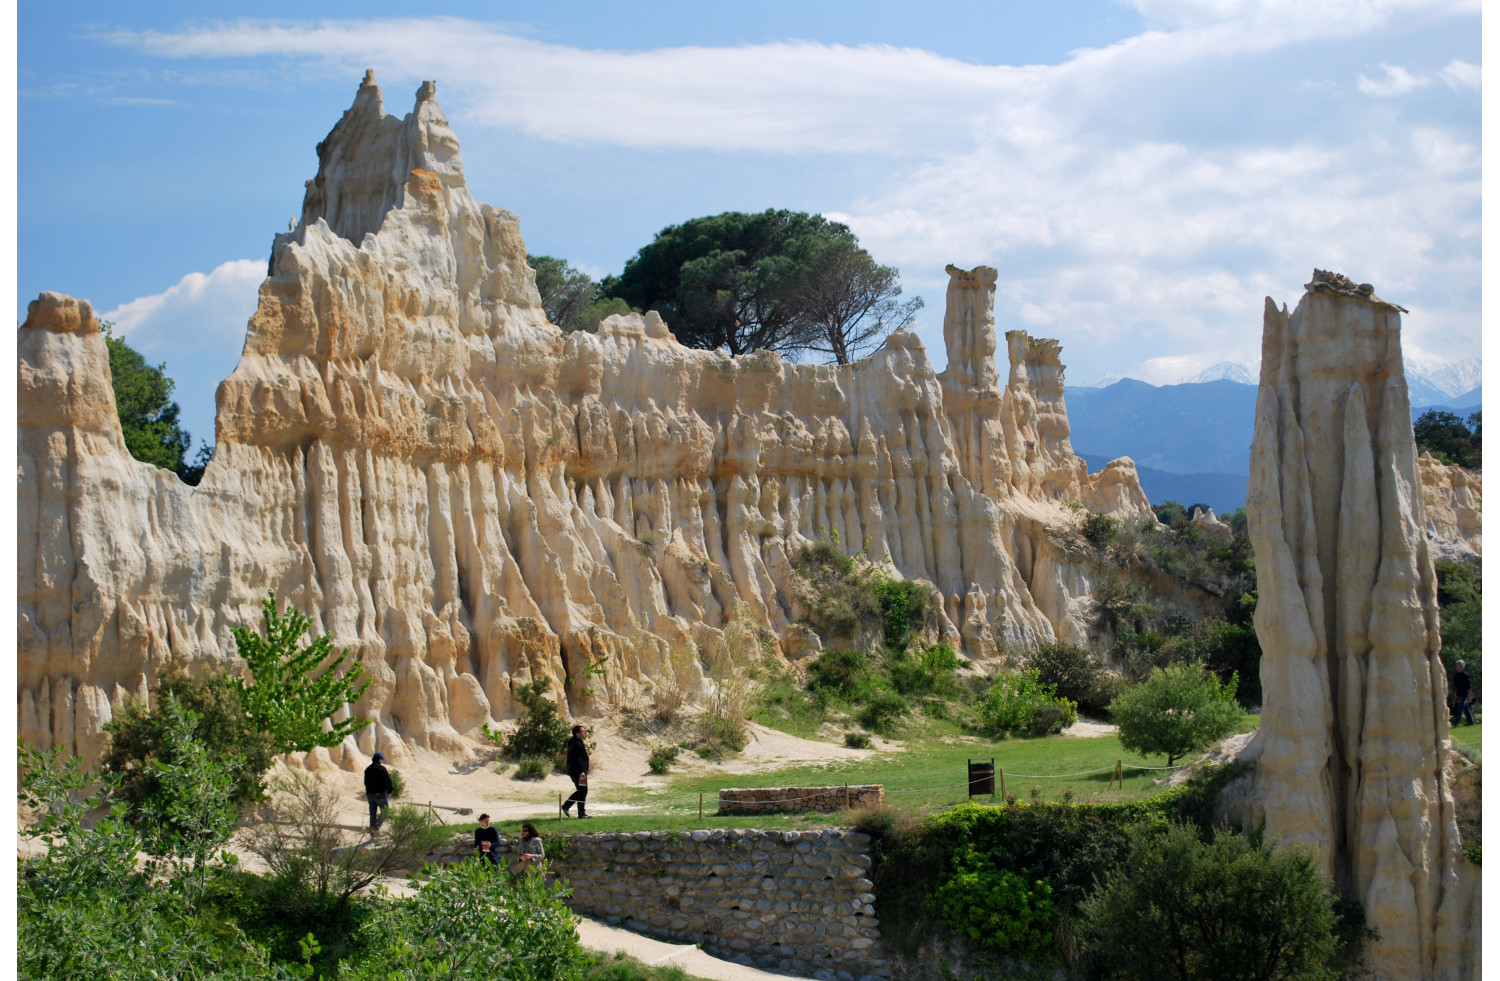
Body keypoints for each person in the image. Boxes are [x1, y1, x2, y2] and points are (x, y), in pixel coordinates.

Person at [562, 723, 591, 819]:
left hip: (575, 771)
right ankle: (581, 814)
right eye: (583, 731)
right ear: (577, 733)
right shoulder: (577, 744)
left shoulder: (575, 742)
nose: (585, 733)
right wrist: (582, 771)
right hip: (579, 772)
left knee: (581, 791)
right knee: (583, 791)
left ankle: (566, 806)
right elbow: (579, 759)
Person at [363, 751, 394, 832]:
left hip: (370, 794)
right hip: (380, 794)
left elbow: (365, 782)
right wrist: (389, 791)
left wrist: (368, 791)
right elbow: (388, 780)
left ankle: (372, 831)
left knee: (373, 814)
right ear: (380, 759)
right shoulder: (381, 769)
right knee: (386, 812)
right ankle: (376, 827)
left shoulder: (367, 769)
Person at [1452, 660, 1475, 726]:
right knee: (1466, 708)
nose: (1456, 666)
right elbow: (1456, 685)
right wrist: (1456, 692)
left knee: (1460, 708)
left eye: (1457, 665)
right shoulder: (1456, 674)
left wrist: (1469, 696)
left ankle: (1455, 722)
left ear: (1461, 666)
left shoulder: (1465, 675)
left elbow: (1469, 687)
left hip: (1464, 694)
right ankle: (1471, 721)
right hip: (1459, 693)